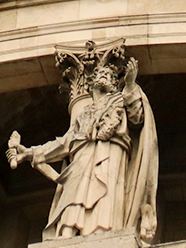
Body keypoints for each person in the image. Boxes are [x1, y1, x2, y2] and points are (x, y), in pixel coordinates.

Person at [9, 60, 158, 242]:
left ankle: (104, 234)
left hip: (111, 152)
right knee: (74, 194)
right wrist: (30, 153)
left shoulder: (120, 101)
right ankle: (67, 234)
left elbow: (137, 118)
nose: (106, 76)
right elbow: (64, 143)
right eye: (101, 73)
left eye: (110, 76)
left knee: (105, 193)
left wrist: (129, 84)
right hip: (82, 156)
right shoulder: (84, 113)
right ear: (92, 82)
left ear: (114, 84)